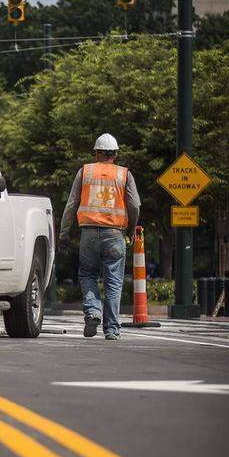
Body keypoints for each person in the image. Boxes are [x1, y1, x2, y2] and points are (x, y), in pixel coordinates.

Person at [59, 133, 141, 340]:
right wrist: (130, 231)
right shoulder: (124, 175)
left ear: (96, 152)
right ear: (115, 154)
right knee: (114, 281)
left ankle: (93, 311)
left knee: (87, 275)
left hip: (88, 233)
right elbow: (135, 205)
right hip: (115, 234)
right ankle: (111, 329)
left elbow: (71, 204)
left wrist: (64, 233)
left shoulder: (85, 171)